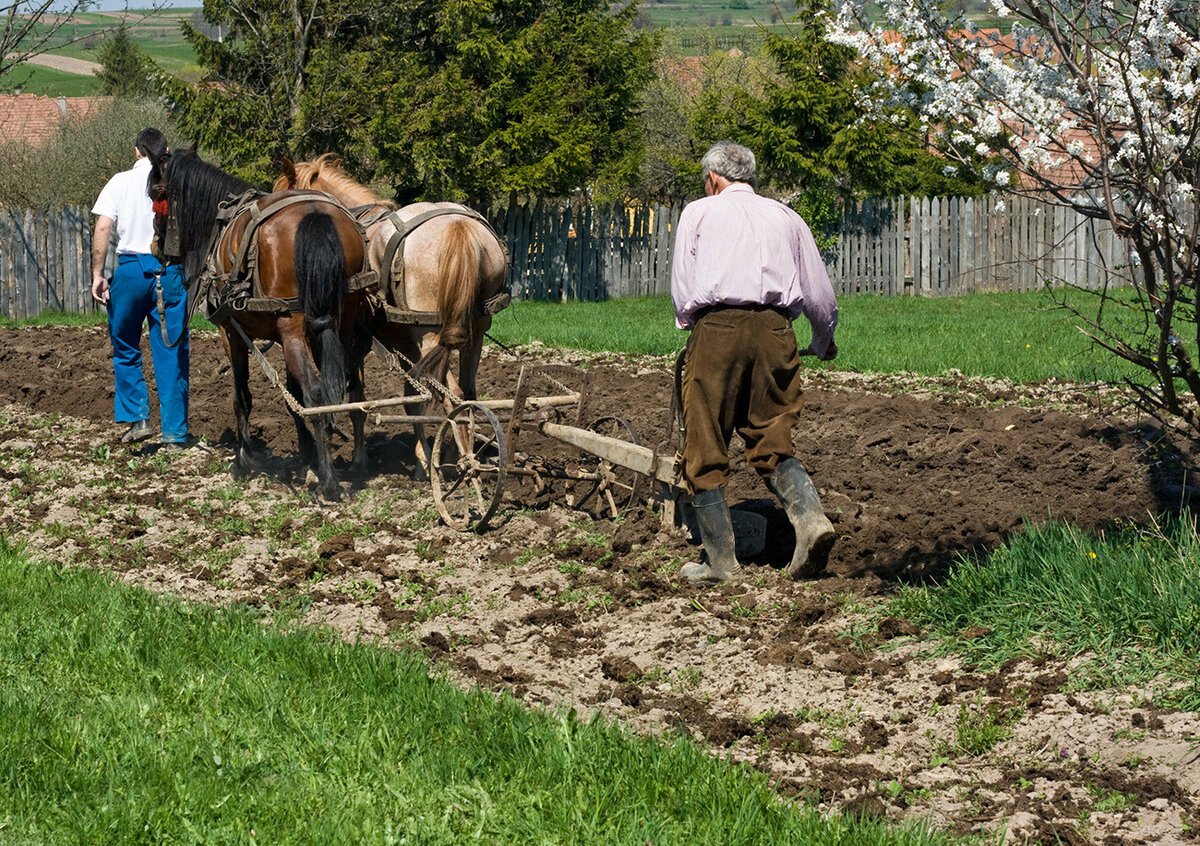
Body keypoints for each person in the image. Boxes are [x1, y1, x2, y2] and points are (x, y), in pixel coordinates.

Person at [670, 140, 839, 584]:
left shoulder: (699, 212)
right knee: (772, 437)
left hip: (717, 328)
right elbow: (819, 292)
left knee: (705, 440)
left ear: (712, 179)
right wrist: (824, 339)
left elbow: (683, 289)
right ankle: (810, 522)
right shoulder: (786, 216)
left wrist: (692, 324)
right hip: (776, 330)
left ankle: (721, 564)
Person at [91, 127, 190, 449]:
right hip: (169, 271)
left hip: (131, 272)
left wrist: (98, 273)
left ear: (137, 151)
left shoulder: (118, 182)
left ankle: (139, 419)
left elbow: (103, 226)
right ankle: (175, 435)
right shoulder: (176, 183)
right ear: (166, 150)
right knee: (172, 351)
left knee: (126, 347)